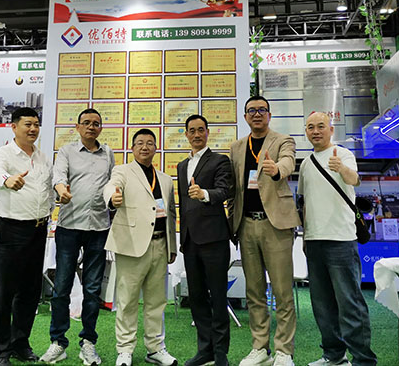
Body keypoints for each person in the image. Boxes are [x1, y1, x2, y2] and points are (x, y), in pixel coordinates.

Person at [299, 112, 377, 366]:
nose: (315, 131)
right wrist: (305, 237)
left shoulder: (342, 154)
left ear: (331, 129)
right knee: (322, 304)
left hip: (341, 239)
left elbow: (354, 180)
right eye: (310, 127)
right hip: (314, 241)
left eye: (321, 126)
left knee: (349, 302)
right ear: (306, 132)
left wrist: (341, 168)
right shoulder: (306, 163)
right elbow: (305, 203)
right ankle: (333, 355)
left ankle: (363, 360)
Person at [228, 96, 299, 366]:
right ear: (245, 116)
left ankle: (284, 350)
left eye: (261, 110)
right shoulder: (236, 147)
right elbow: (234, 188)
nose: (256, 114)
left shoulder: (283, 140)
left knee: (282, 292)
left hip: (275, 225)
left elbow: (288, 162)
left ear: (269, 114)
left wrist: (277, 169)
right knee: (254, 292)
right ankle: (260, 348)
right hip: (246, 225)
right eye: (251, 111)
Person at [42, 108, 115, 365]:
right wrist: (61, 190)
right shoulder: (67, 151)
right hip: (69, 226)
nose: (91, 127)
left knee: (92, 290)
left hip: (99, 227)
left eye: (96, 123)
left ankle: (88, 343)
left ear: (100, 128)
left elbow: (112, 184)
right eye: (86, 123)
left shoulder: (108, 154)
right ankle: (58, 342)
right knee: (61, 287)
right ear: (78, 127)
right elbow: (59, 177)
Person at [0, 107, 54, 366]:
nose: (33, 129)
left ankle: (20, 343)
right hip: (11, 228)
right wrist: (7, 180)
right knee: (5, 292)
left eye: (36, 124)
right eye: (27, 124)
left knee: (30, 291)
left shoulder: (43, 158)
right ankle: (0, 350)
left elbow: (47, 189)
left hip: (38, 228)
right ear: (14, 127)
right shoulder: (2, 154)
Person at [103, 129, 178, 366]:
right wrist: (112, 198)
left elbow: (171, 214)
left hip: (160, 245)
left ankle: (155, 348)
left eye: (149, 143)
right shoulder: (122, 171)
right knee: (127, 300)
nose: (145, 147)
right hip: (132, 245)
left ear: (155, 148)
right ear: (133, 148)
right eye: (140, 143)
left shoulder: (165, 179)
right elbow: (111, 186)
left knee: (157, 302)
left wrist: (172, 247)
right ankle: (125, 350)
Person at [177, 114, 232, 366]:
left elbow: (224, 191)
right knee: (197, 298)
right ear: (186, 134)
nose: (196, 134)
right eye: (192, 130)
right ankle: (205, 349)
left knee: (218, 297)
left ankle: (220, 354)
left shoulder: (220, 160)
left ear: (208, 132)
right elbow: (183, 204)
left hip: (214, 239)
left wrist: (204, 194)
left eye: (201, 130)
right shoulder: (181, 166)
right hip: (190, 240)